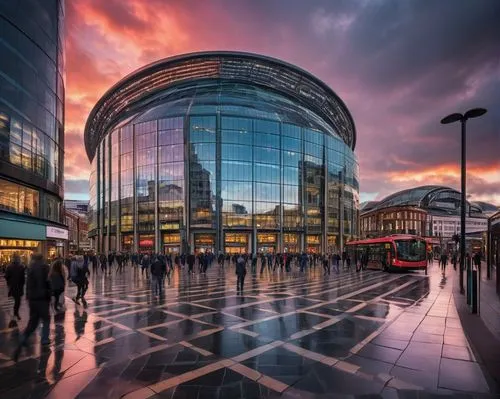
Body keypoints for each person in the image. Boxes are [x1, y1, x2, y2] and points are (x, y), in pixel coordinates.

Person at [13, 254, 51, 361]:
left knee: (32, 323)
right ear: (41, 258)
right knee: (46, 319)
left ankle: (22, 341)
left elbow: (28, 284)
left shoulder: (30, 268)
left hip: (32, 299)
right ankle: (44, 339)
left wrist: (28, 296)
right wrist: (49, 293)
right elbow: (48, 282)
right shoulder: (45, 267)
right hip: (42, 299)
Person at [5, 254, 26, 321]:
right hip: (19, 286)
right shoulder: (21, 267)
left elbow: (6, 276)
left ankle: (16, 313)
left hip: (12, 286)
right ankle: (16, 313)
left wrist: (9, 283)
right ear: (18, 259)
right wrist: (22, 284)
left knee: (16, 300)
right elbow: (23, 278)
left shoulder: (9, 267)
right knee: (17, 301)